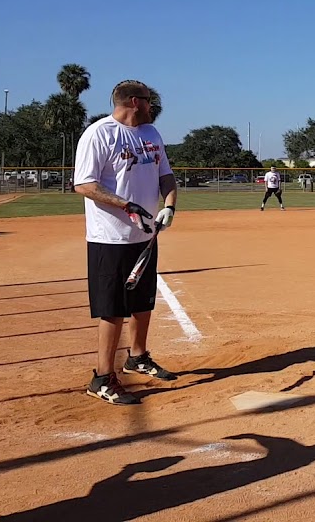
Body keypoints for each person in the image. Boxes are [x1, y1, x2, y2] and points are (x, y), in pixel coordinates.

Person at [73, 80, 179, 406]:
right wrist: (125, 204)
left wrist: (169, 206)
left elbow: (166, 176)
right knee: (113, 307)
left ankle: (138, 356)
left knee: (143, 301)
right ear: (134, 101)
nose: (153, 107)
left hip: (145, 234)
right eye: (149, 101)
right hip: (110, 237)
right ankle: (102, 377)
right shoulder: (99, 134)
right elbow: (84, 184)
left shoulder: (151, 135)